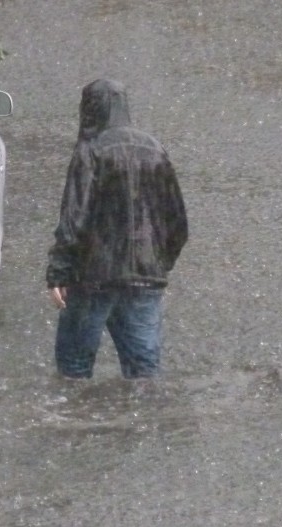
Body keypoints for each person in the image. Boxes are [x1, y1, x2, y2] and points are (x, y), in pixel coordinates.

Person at [46, 79, 187, 380]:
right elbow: (178, 223)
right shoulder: (156, 150)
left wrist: (58, 272)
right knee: (144, 374)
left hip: (92, 278)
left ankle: (74, 424)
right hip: (145, 279)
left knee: (73, 370)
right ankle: (143, 425)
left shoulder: (89, 152)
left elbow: (74, 219)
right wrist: (159, 262)